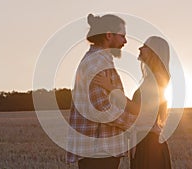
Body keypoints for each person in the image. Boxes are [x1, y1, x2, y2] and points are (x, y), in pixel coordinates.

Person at [66, 13, 136, 169]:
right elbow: (101, 109)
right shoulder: (97, 63)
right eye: (122, 36)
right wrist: (132, 123)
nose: (125, 41)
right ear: (109, 35)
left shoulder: (99, 60)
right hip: (99, 151)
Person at [94, 36, 172, 169]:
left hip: (149, 146)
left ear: (155, 52)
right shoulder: (154, 77)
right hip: (147, 142)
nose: (140, 48)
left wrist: (112, 89)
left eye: (145, 46)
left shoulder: (156, 78)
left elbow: (138, 110)